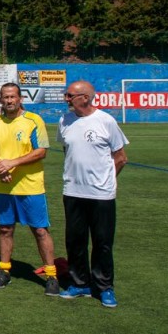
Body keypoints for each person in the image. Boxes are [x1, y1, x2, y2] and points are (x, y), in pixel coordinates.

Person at [0, 82, 59, 295]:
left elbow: (41, 151)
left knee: (40, 230)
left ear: (20, 98)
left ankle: (51, 275)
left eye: (13, 97)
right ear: (0, 99)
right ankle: (4, 271)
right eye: (5, 97)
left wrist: (12, 163)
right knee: (5, 229)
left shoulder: (34, 121)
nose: (9, 101)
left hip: (31, 187)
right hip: (4, 188)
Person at [57, 81, 129, 308]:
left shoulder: (106, 121)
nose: (66, 99)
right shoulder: (64, 121)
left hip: (101, 195)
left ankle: (104, 287)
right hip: (72, 191)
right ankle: (80, 283)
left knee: (102, 242)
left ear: (85, 97)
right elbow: (68, 150)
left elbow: (120, 157)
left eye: (70, 95)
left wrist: (106, 181)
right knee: (75, 241)